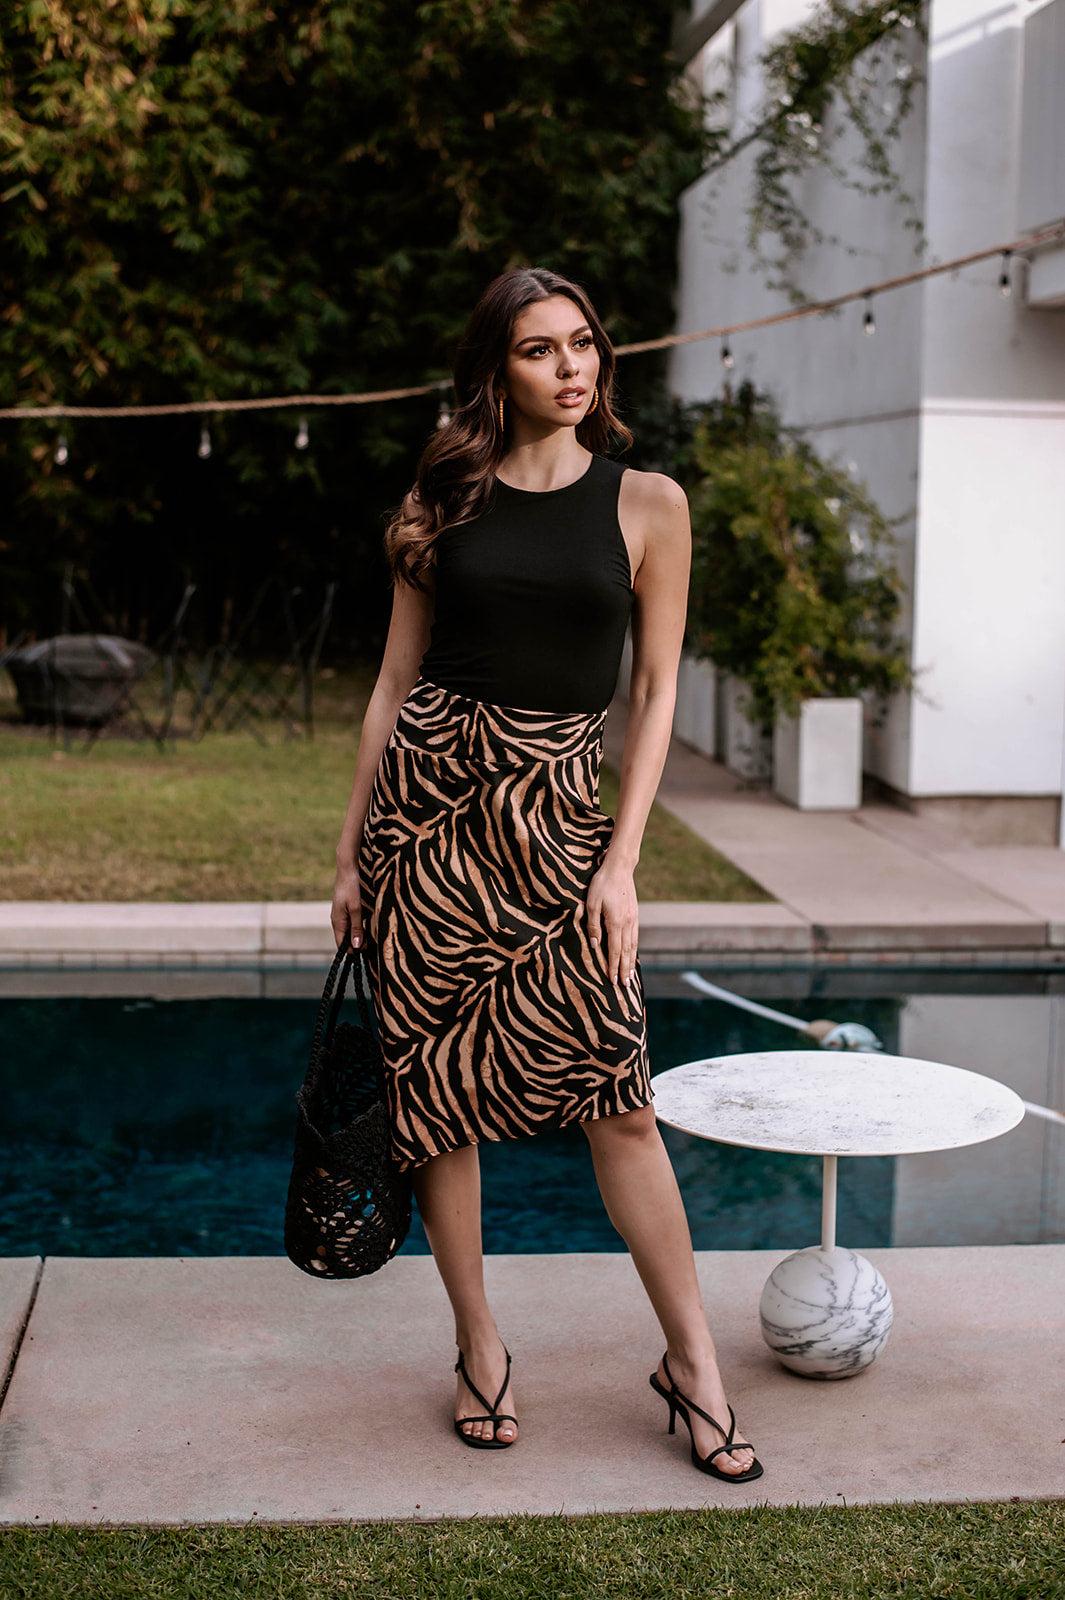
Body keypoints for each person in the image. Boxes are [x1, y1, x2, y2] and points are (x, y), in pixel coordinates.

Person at [330, 265, 762, 1482]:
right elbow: (392, 685)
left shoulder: (648, 503)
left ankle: (694, 1363)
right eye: (540, 349)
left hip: (561, 822)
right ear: (496, 369)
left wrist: (622, 861)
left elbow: (660, 689)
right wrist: (354, 853)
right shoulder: (444, 496)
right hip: (427, 828)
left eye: (584, 345)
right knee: (439, 1097)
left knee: (620, 1100)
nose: (572, 367)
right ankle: (479, 1344)